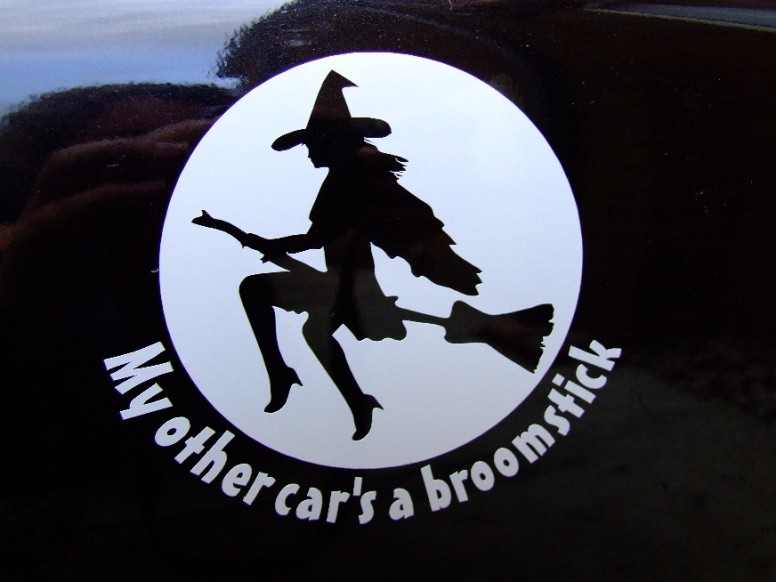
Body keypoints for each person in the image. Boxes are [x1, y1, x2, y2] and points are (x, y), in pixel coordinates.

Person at [195, 70, 482, 440]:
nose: (309, 152)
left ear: (333, 144)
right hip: (339, 281)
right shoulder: (342, 181)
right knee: (296, 318)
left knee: (274, 303)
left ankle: (313, 386)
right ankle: (327, 391)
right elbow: (323, 238)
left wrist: (262, 241)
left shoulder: (354, 183)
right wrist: (237, 233)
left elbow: (321, 237)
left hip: (351, 287)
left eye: (313, 144)